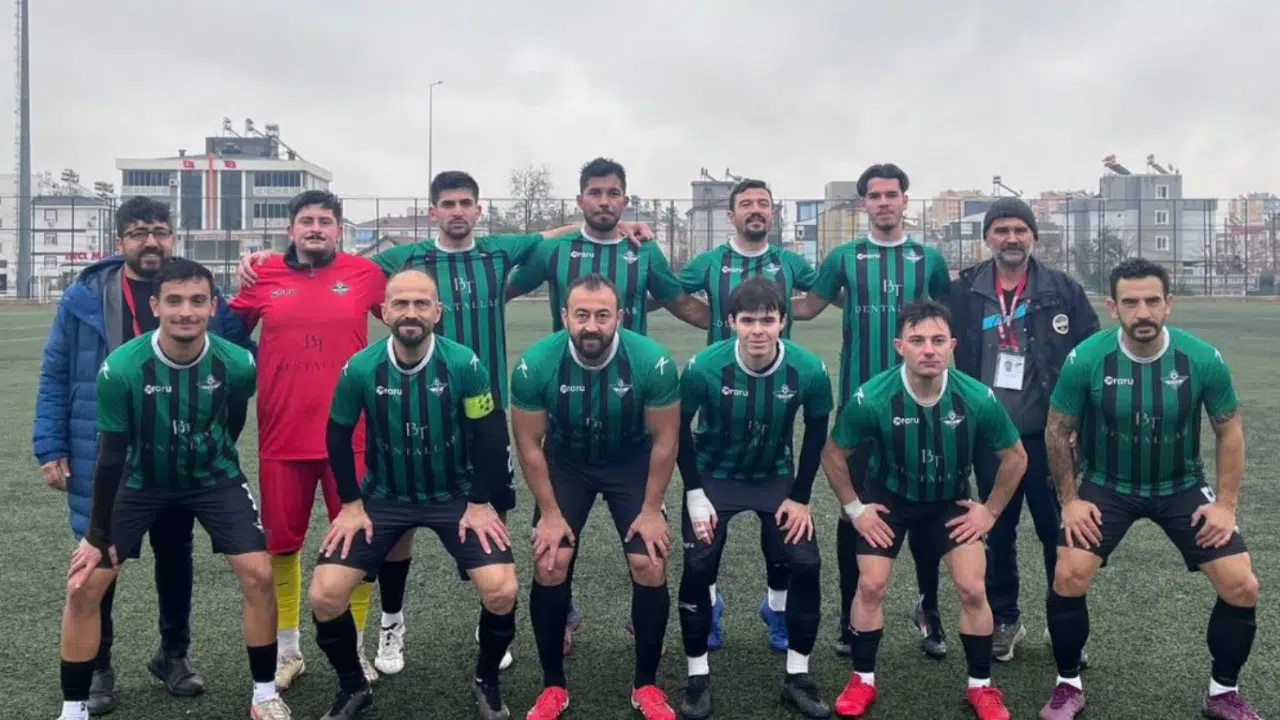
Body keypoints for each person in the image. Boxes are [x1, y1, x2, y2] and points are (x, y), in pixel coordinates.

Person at [236, 172, 655, 668]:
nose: (457, 211)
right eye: (448, 204)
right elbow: (334, 267)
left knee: (491, 507)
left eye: (465, 203)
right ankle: (389, 625)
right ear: (433, 212)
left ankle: (489, 615)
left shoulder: (497, 251)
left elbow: (550, 234)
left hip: (484, 408)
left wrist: (618, 227)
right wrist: (269, 258)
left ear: (478, 210)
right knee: (398, 513)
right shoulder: (406, 258)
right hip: (413, 405)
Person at [33, 196, 255, 714]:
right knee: (99, 555)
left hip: (177, 450)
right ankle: (98, 666)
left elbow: (236, 351)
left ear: (173, 238)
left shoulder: (197, 294)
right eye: (138, 232)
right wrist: (51, 445)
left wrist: (255, 281)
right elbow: (56, 371)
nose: (150, 241)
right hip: (103, 450)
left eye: (160, 231)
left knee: (175, 553)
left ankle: (173, 654)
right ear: (120, 242)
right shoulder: (85, 297)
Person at [56, 258, 287, 720]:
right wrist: (97, 534)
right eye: (175, 301)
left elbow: (232, 420)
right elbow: (110, 455)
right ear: (156, 306)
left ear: (213, 306)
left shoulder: (238, 363)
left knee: (260, 576)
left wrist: (207, 454)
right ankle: (73, 708)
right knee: (84, 585)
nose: (186, 312)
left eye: (197, 301)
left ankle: (264, 695)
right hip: (140, 480)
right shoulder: (122, 368)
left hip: (213, 478)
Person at [1038, 258, 1261, 720]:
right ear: (1112, 307)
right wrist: (1070, 501)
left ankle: (1222, 693)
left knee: (1241, 585)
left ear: (1168, 303)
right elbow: (1057, 430)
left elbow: (1229, 430)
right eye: (1131, 302)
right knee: (1069, 574)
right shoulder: (1087, 359)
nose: (1143, 312)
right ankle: (1067, 685)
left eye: (1152, 301)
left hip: (1181, 486)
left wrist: (1226, 505)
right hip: (1107, 484)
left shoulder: (1201, 358)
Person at [307, 268, 519, 720]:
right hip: (385, 497)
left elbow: (489, 433)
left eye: (421, 303)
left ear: (437, 312)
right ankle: (352, 687)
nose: (411, 313)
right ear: (384, 312)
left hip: (454, 495)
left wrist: (480, 502)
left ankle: (487, 682)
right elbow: (338, 435)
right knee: (325, 595)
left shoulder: (464, 364)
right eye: (400, 303)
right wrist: (351, 504)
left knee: (501, 590)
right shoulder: (360, 368)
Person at [821, 299, 1026, 720]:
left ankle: (982, 687)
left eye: (937, 340)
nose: (928, 349)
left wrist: (989, 511)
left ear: (952, 345)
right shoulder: (873, 397)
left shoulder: (976, 397)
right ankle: (862, 679)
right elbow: (833, 454)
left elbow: (1016, 457)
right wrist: (856, 509)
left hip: (949, 502)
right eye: (917, 341)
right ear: (900, 346)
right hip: (890, 500)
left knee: (972, 588)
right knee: (871, 586)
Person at [790, 164, 953, 659]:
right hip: (860, 406)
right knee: (853, 512)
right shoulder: (844, 257)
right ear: (864, 204)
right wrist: (754, 298)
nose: (884, 202)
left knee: (927, 512)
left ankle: (928, 609)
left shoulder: (928, 259)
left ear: (905, 201)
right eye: (875, 195)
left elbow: (944, 324)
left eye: (892, 194)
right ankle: (848, 614)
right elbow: (807, 307)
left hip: (924, 404)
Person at [228, 190, 388, 690]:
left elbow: (410, 314)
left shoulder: (366, 274)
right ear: (290, 230)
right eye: (306, 221)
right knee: (281, 545)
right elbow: (225, 336)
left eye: (325, 220)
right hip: (282, 436)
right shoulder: (263, 275)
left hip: (352, 437)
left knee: (359, 541)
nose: (315, 228)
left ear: (339, 230)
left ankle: (355, 648)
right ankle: (288, 650)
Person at [510, 274, 680, 720]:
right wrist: (549, 514)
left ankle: (646, 684)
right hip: (567, 465)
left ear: (619, 317)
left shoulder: (652, 362)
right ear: (564, 316)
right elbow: (529, 445)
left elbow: (665, 440)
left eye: (602, 315)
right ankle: (553, 685)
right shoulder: (535, 365)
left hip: (630, 463)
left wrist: (651, 510)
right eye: (581, 314)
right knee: (550, 562)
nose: (591, 325)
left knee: (650, 561)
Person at [948, 197, 1100, 662]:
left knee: (1058, 530)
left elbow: (1091, 356)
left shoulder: (1062, 290)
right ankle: (1005, 619)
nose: (1011, 238)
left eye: (1019, 229)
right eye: (1001, 230)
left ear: (1033, 236)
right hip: (991, 439)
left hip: (1048, 437)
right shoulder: (964, 290)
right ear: (987, 238)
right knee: (997, 530)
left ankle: (1063, 620)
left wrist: (1079, 424)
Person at [674, 278, 833, 720]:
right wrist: (694, 492)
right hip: (715, 475)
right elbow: (678, 428)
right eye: (748, 320)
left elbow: (816, 432)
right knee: (698, 562)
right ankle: (697, 677)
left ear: (783, 321)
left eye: (767, 320)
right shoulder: (704, 367)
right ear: (731, 322)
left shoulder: (809, 370)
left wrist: (800, 497)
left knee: (805, 562)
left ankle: (798, 675)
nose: (758, 330)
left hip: (773, 476)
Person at [675, 179, 821, 653]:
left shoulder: (791, 263)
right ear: (732, 215)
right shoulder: (709, 262)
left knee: (783, 544)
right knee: (703, 547)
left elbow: (819, 297)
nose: (755, 210)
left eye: (763, 204)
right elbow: (672, 293)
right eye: (746, 204)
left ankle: (776, 609)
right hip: (720, 401)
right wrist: (706, 319)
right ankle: (710, 606)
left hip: (773, 408)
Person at [507, 157, 710, 336]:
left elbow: (681, 304)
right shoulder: (552, 250)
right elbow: (502, 293)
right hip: (569, 367)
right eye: (595, 193)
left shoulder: (645, 251)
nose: (604, 202)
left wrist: (726, 326)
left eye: (613, 193)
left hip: (630, 367)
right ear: (580, 201)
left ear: (625, 201)